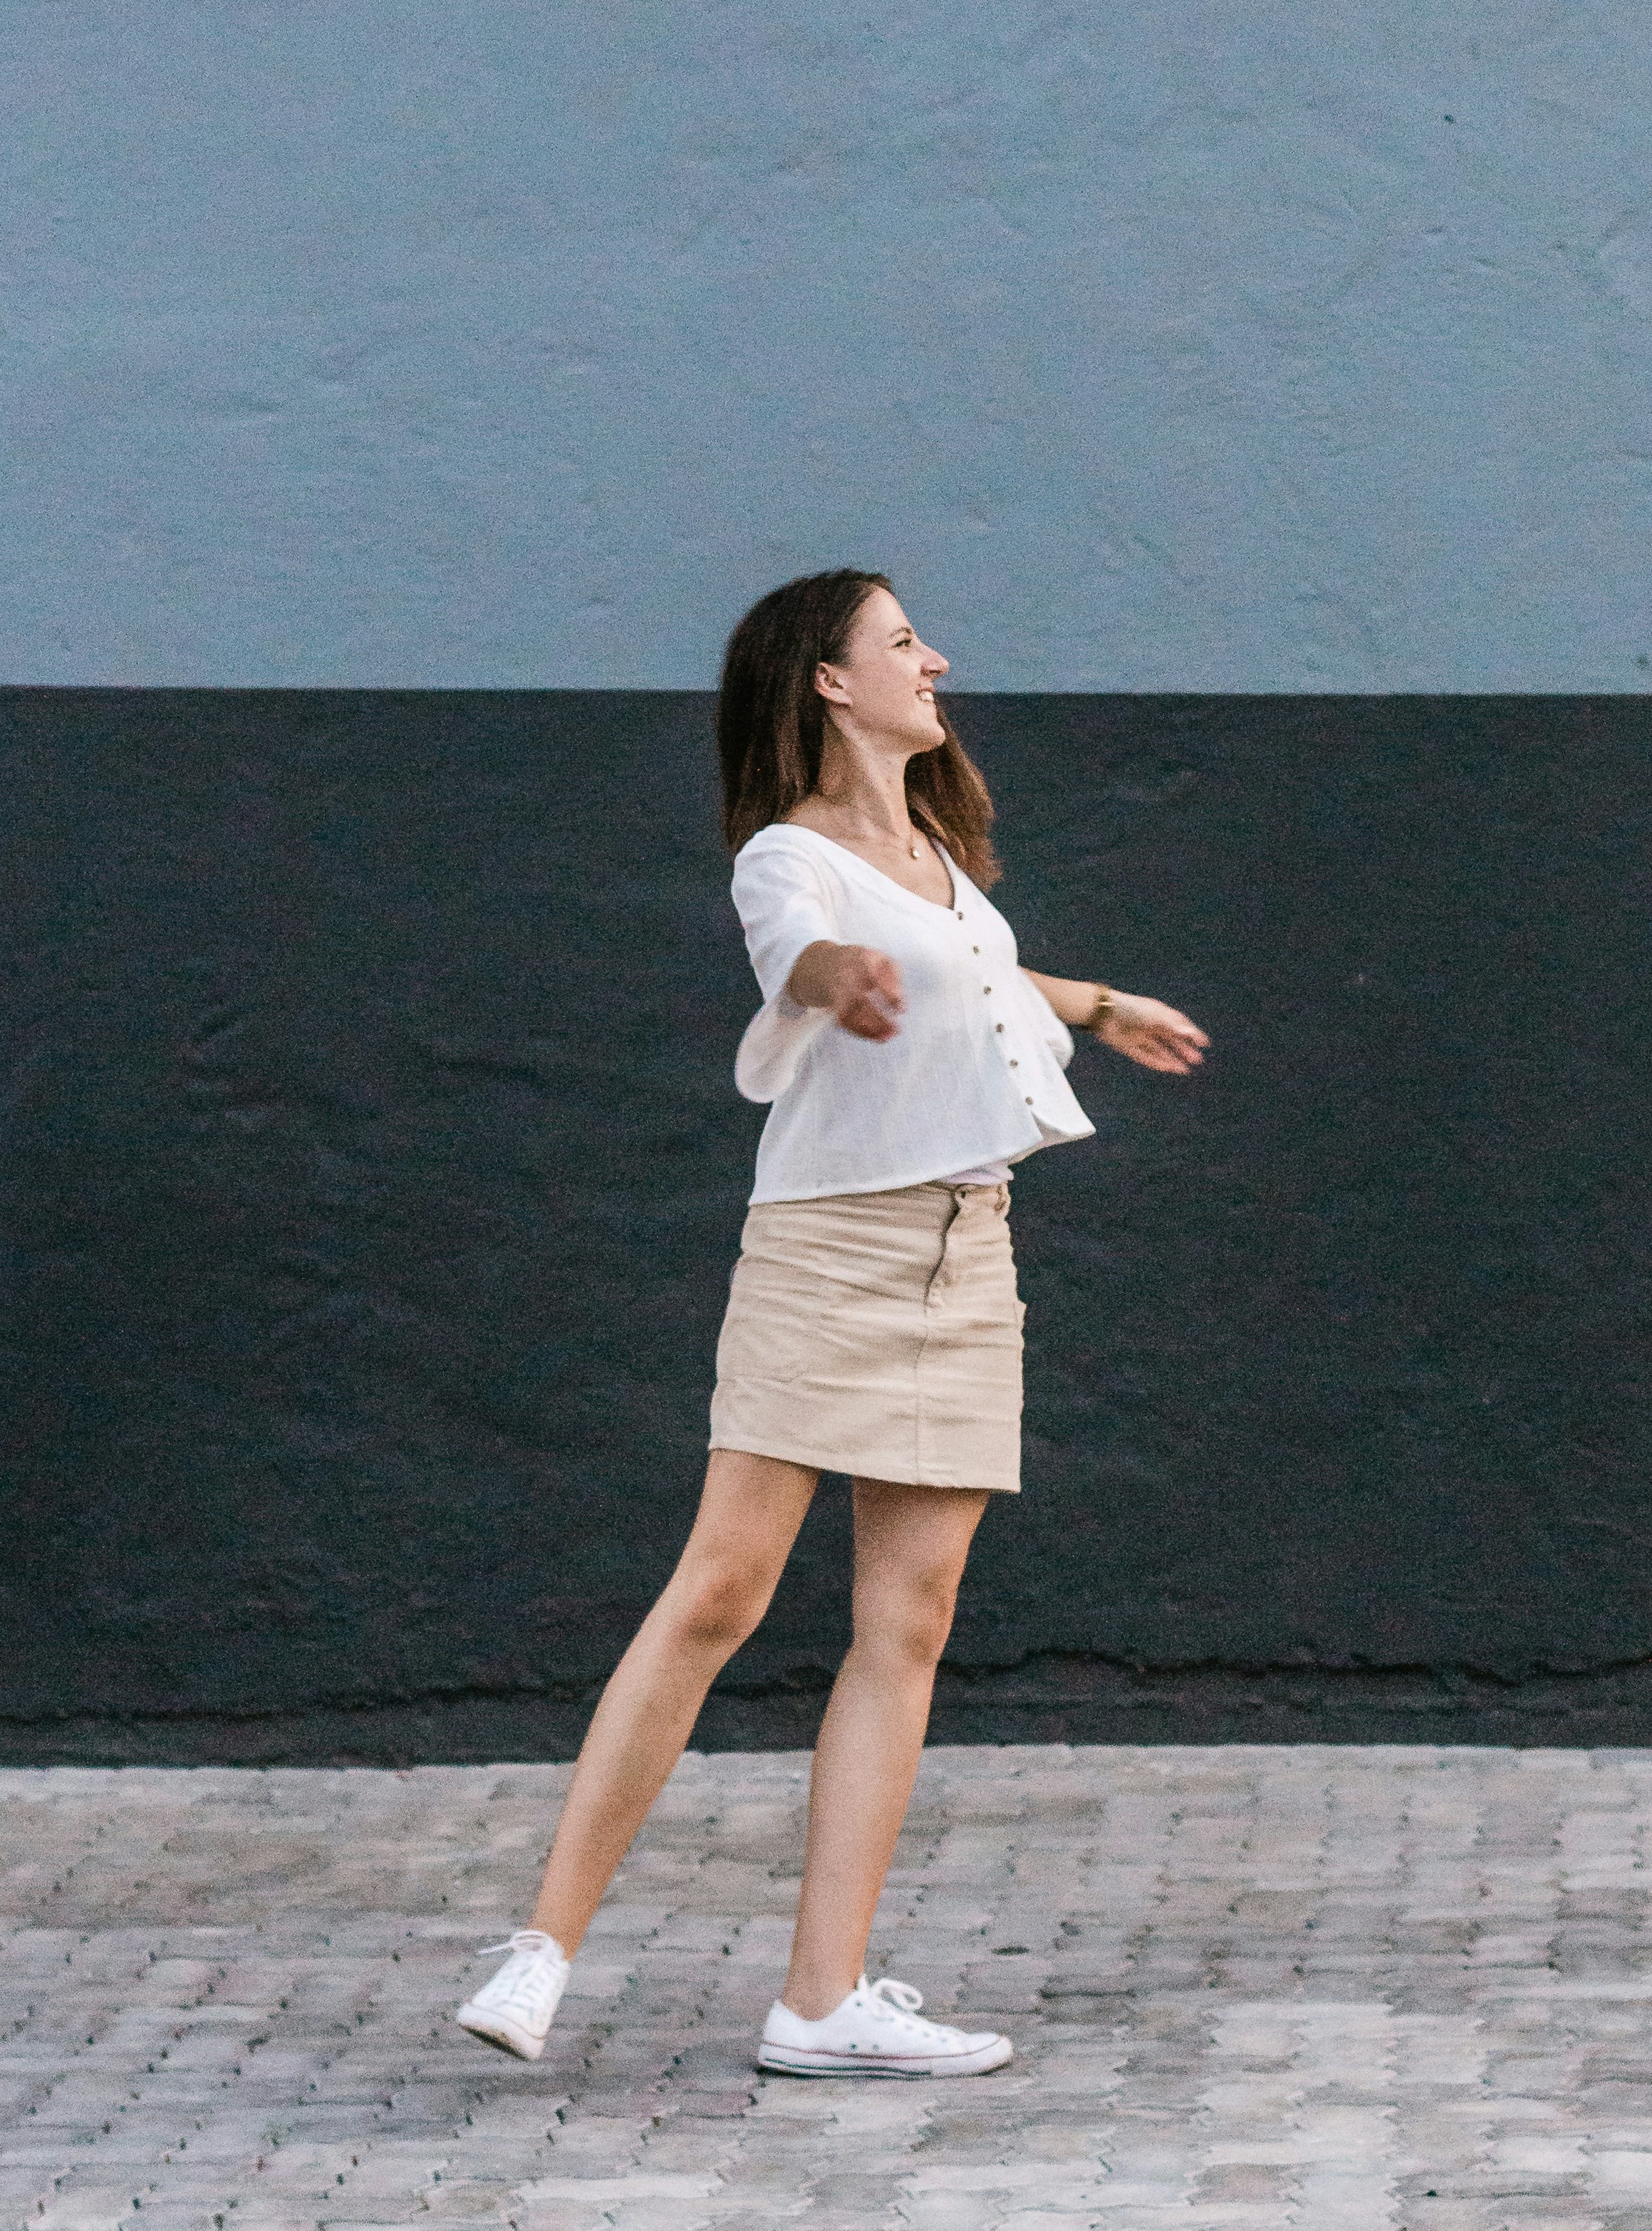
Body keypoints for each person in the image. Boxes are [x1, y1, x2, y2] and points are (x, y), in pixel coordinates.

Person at [454, 567, 1207, 2076]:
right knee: (721, 1593)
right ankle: (540, 1951)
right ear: (829, 680)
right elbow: (796, 958)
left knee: (907, 1625)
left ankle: (822, 2001)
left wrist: (1094, 1002)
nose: (940, 660)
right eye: (905, 642)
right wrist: (832, 977)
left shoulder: (932, 853)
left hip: (967, 1257)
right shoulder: (786, 860)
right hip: (829, 1253)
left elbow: (973, 973)